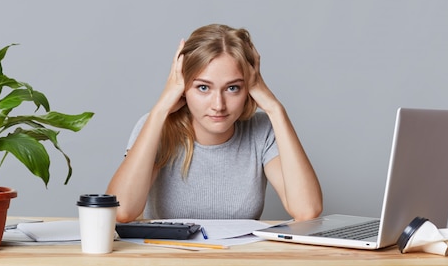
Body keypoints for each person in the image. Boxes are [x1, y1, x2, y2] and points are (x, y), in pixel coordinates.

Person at [106, 24, 322, 223]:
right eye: (203, 88)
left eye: (232, 88)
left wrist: (275, 109)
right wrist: (160, 109)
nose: (218, 105)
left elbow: (306, 210)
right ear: (182, 88)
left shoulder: (262, 130)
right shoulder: (157, 126)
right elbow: (121, 211)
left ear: (249, 88)